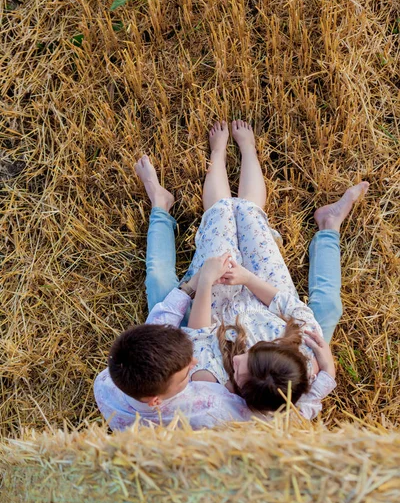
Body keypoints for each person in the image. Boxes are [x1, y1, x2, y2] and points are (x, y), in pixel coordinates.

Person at [94, 120, 368, 428]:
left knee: (163, 277)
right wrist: (326, 375)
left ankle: (163, 202)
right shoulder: (224, 405)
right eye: (185, 371)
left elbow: (194, 335)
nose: (193, 364)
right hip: (261, 311)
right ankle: (328, 226)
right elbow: (294, 416)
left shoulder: (118, 384)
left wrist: (197, 284)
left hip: (210, 315)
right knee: (327, 308)